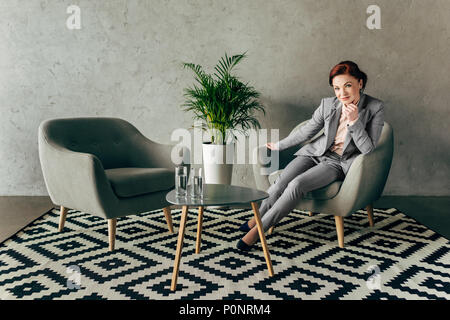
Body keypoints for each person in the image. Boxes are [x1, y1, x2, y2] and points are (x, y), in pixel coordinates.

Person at [237, 60, 385, 251]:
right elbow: (306, 132)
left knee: (296, 185)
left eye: (348, 86)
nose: (342, 93)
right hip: (314, 153)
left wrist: (354, 121)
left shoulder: (375, 107)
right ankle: (256, 220)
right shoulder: (328, 104)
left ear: (360, 83)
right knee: (280, 183)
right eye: (337, 88)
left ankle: (258, 230)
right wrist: (279, 145)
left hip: (337, 163)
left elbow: (368, 149)